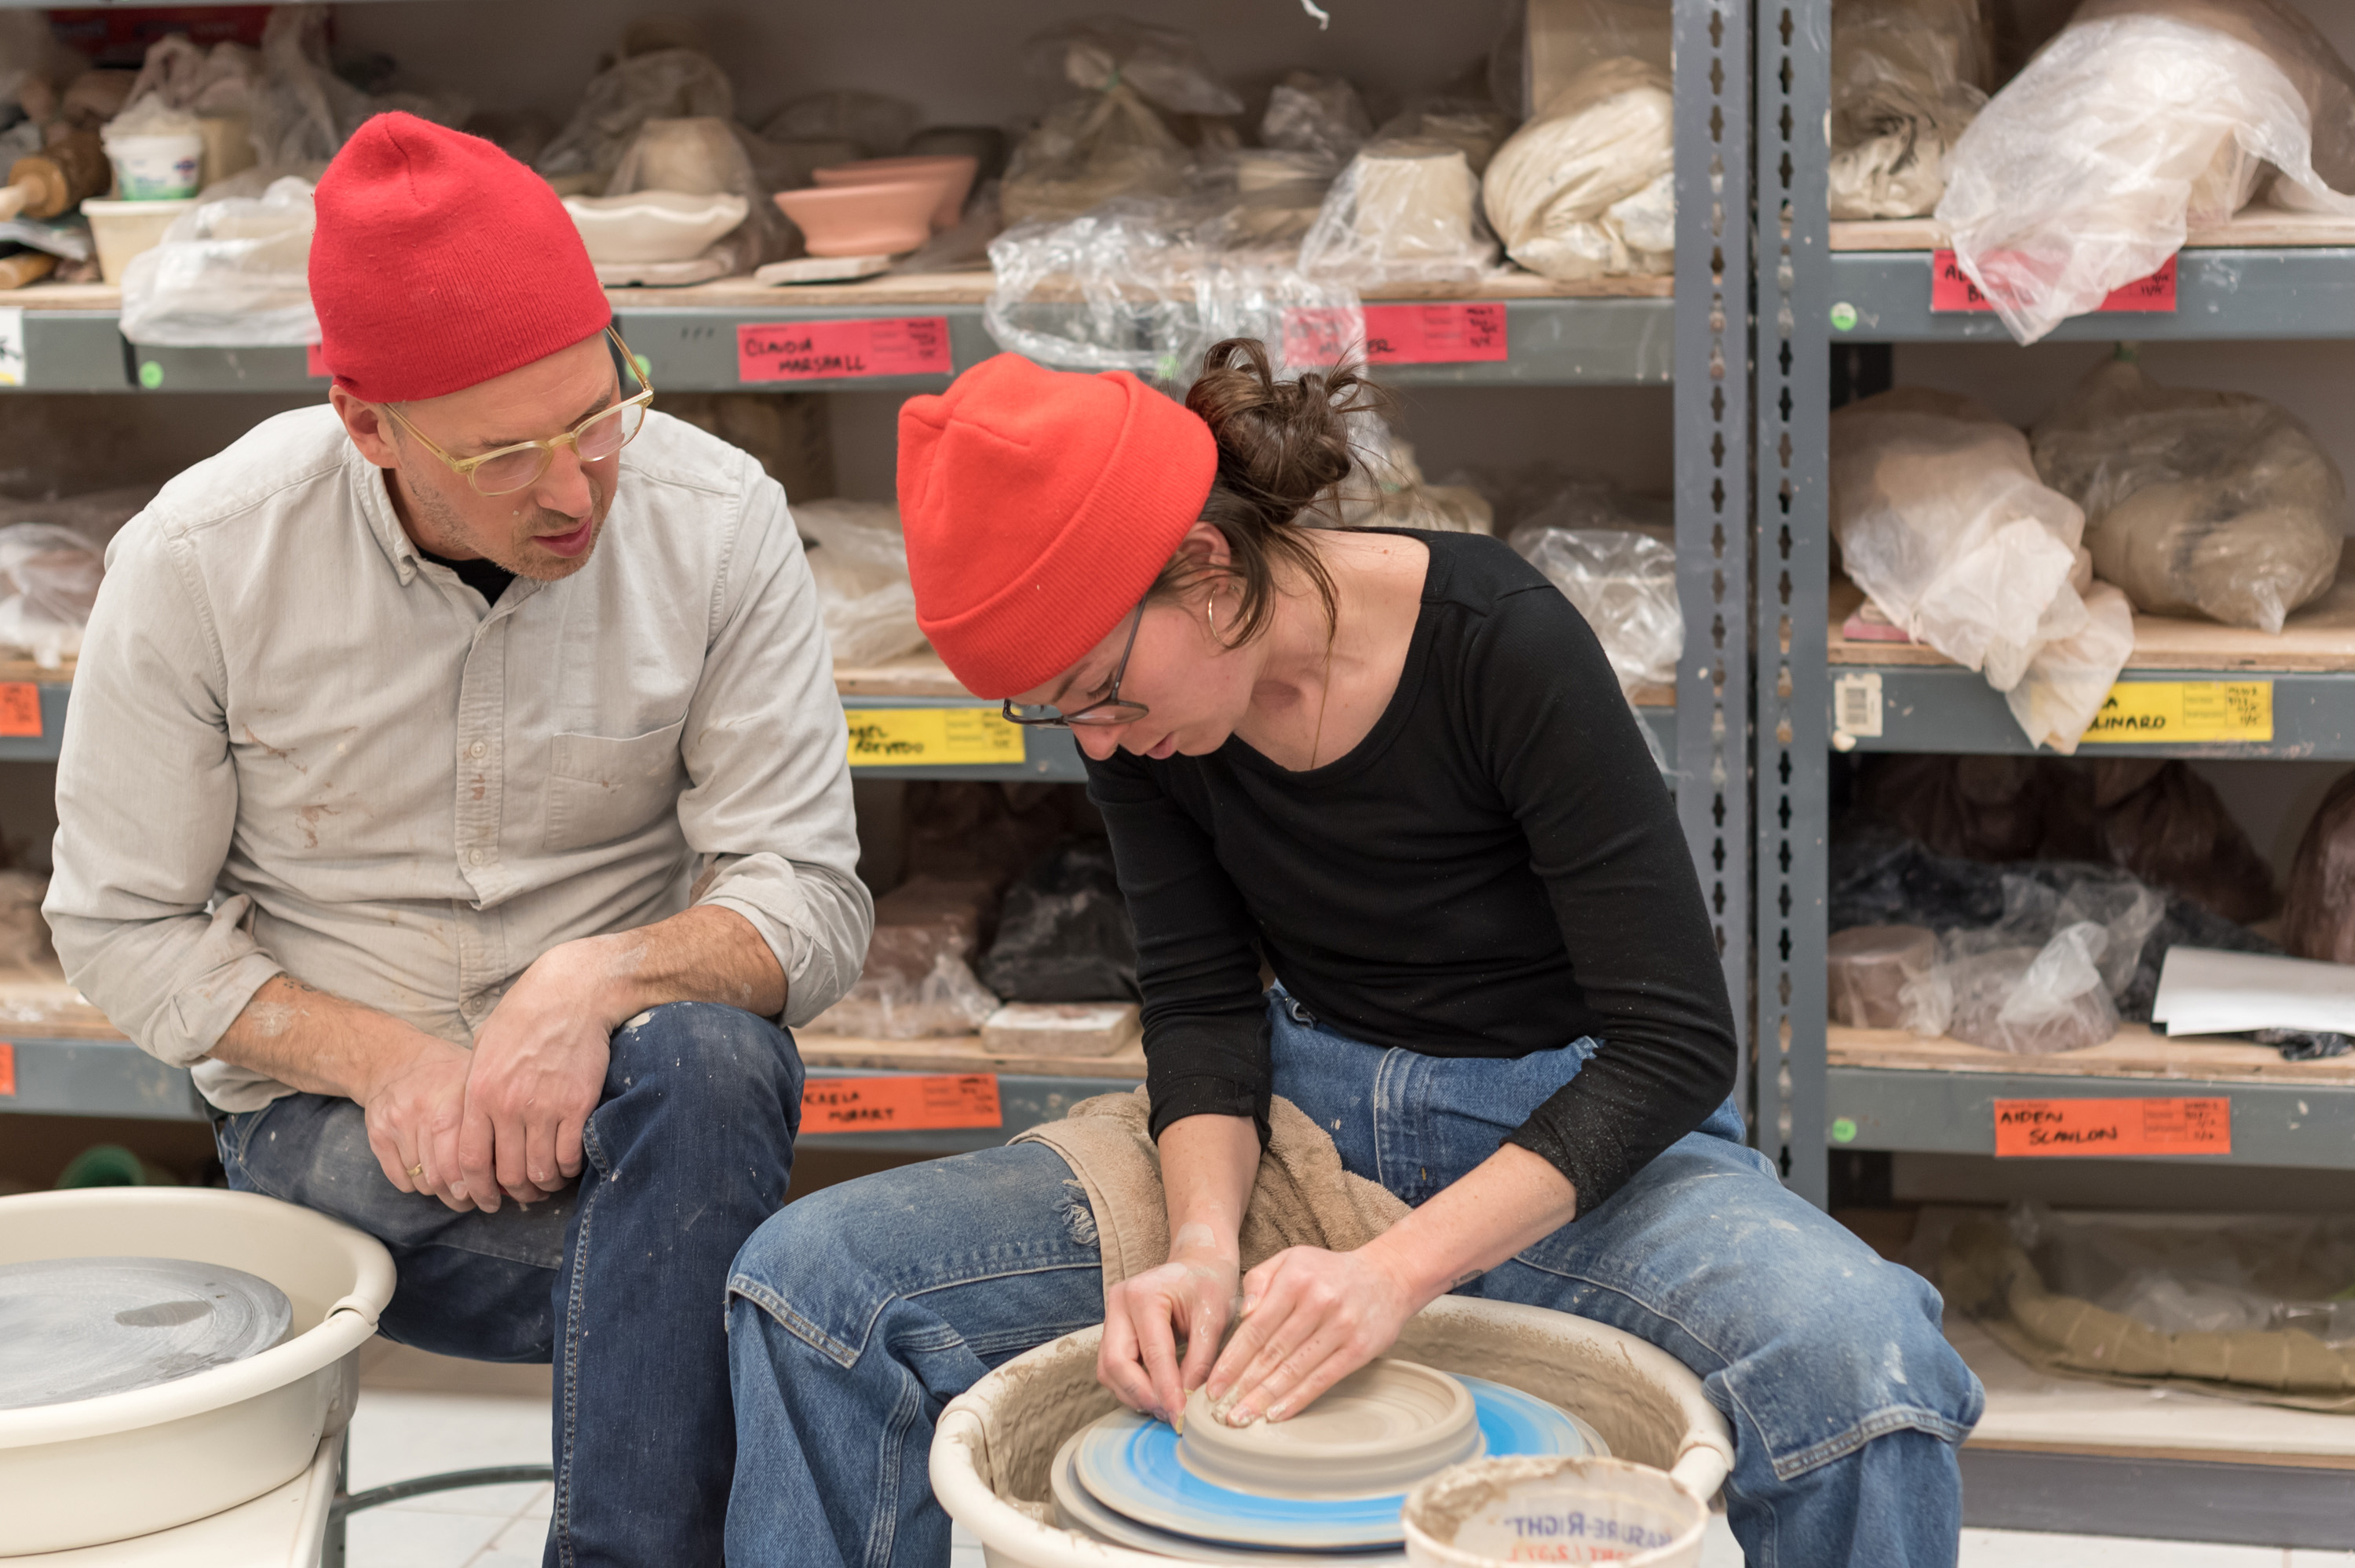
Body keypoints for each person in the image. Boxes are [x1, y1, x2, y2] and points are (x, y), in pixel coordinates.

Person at [723, 341, 1983, 1567]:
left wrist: (1391, 1274)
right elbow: (1205, 1010)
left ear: (1206, 567)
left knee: (1861, 1363)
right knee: (812, 1284)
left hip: (1553, 1137)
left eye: (1093, 689)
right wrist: (1203, 1247)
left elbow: (1676, 1043)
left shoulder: (1502, 639)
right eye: (1052, 710)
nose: (1092, 742)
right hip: (1295, 1129)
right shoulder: (1151, 724)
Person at [44, 114, 870, 1566]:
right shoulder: (201, 558)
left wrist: (591, 985)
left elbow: (807, 889)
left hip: (639, 1118)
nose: (573, 490)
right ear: (368, 426)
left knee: (715, 1055)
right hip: (343, 1137)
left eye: (598, 412)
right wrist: (390, 1063)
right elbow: (120, 922)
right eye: (503, 455)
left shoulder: (717, 519)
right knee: (791, 1310)